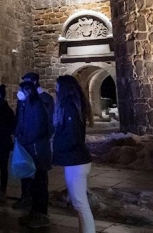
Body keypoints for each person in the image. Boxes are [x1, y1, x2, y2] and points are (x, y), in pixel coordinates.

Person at [53, 75, 95, 233]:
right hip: (77, 160)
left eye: (57, 86)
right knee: (79, 204)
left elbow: (71, 136)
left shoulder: (70, 107)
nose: (56, 89)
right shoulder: (75, 106)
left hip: (76, 161)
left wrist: (56, 152)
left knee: (80, 204)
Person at [13, 72, 54, 210]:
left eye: (27, 82)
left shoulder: (44, 100)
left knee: (39, 179)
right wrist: (18, 134)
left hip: (37, 147)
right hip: (26, 146)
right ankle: (27, 198)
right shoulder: (24, 101)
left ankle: (40, 211)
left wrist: (34, 140)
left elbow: (47, 126)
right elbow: (20, 118)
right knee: (26, 174)